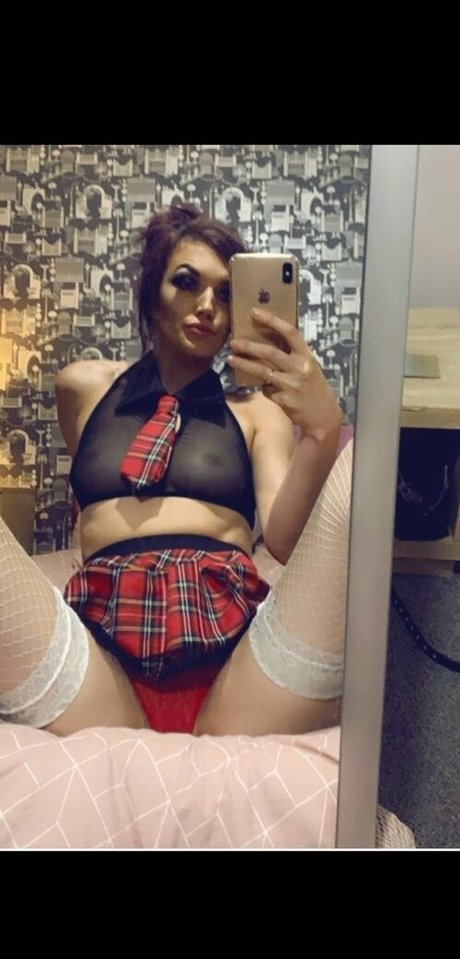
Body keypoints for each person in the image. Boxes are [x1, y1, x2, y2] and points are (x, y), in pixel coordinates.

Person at [0, 203, 351, 738]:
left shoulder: (257, 411)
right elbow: (91, 500)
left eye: (226, 294)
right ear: (151, 293)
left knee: (358, 466)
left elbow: (283, 540)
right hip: (98, 653)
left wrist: (323, 433)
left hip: (233, 658)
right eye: (186, 282)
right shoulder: (84, 386)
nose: (207, 305)